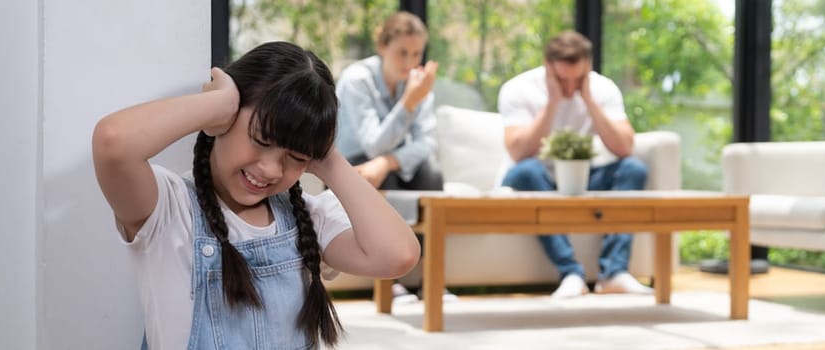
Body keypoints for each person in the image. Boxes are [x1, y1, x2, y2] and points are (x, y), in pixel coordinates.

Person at [92, 42, 420, 349]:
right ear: (225, 121)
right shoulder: (167, 208)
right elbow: (113, 144)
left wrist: (329, 161)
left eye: (296, 158)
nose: (271, 169)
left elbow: (397, 255)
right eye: (262, 140)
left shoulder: (308, 217)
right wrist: (216, 104)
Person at [498, 31, 652, 298]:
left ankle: (614, 273)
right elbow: (519, 152)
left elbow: (624, 147)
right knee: (526, 171)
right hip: (537, 180)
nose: (570, 88)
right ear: (548, 67)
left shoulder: (602, 89)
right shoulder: (518, 88)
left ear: (588, 67)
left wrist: (589, 100)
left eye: (577, 79)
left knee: (633, 168)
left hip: (582, 179)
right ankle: (571, 273)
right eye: (561, 79)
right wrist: (553, 102)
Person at [334, 11, 454, 304]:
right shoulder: (357, 80)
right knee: (384, 176)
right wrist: (408, 102)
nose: (410, 62)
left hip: (388, 165)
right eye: (402, 52)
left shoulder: (418, 83)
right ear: (382, 46)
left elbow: (426, 143)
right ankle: (391, 280)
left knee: (431, 174)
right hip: (352, 167)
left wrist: (388, 161)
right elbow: (373, 145)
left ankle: (431, 280)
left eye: (416, 54)